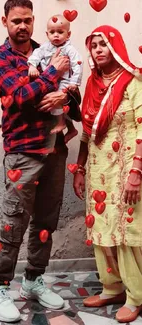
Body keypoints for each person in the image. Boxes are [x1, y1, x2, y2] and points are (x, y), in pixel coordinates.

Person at [0, 0, 81, 322]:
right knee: (13, 223)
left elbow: (74, 94)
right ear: (5, 22)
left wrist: (65, 95)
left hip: (54, 150)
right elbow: (19, 97)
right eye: (16, 21)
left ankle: (33, 281)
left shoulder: (47, 50)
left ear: (33, 20)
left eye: (28, 20)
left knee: (45, 221)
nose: (23, 26)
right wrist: (53, 74)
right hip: (22, 153)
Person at [73, 25, 142, 323]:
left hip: (127, 167)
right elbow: (87, 133)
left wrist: (137, 172)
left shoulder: (134, 82)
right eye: (94, 45)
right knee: (102, 226)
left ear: (115, 47)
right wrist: (79, 168)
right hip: (99, 170)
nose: (98, 50)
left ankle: (136, 295)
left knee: (126, 229)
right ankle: (111, 286)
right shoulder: (92, 84)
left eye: (103, 44)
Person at [28, 14, 83, 142]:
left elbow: (78, 64)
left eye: (60, 32)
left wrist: (74, 82)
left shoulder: (69, 49)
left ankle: (61, 123)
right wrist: (32, 66)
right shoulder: (45, 47)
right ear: (47, 34)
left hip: (65, 81)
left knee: (57, 99)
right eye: (52, 32)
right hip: (51, 79)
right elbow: (36, 55)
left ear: (68, 35)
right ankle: (71, 129)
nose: (56, 35)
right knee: (53, 101)